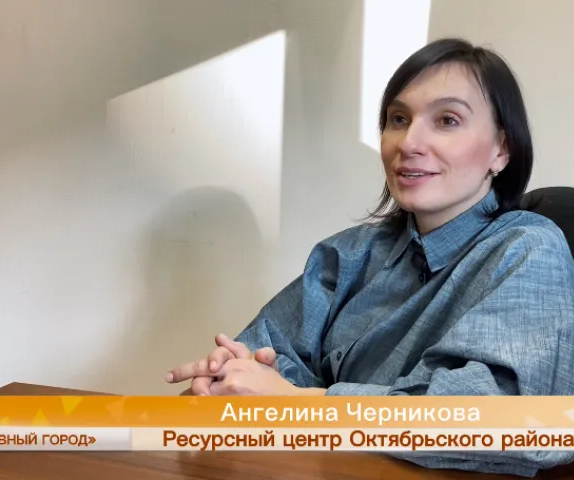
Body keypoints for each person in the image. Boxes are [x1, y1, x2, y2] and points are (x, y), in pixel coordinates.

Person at [165, 38, 574, 476]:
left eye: (447, 120)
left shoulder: (527, 248)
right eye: (398, 119)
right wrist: (231, 373)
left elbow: (509, 420)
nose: (409, 142)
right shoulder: (348, 253)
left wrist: (300, 403)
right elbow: (268, 353)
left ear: (502, 150)